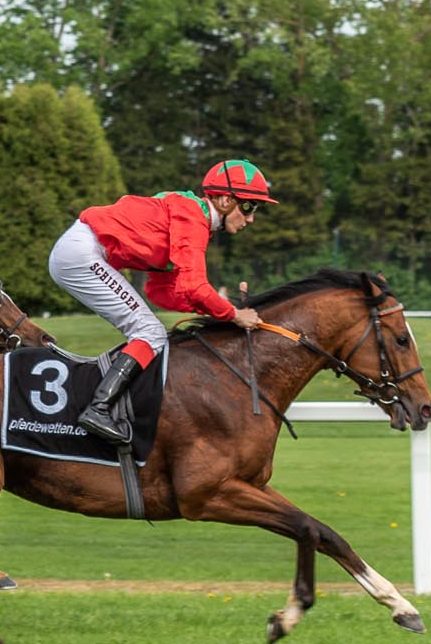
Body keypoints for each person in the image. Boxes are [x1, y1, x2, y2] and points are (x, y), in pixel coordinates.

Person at [50, 159, 275, 444]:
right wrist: (231, 314)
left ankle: (110, 405)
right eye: (249, 206)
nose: (252, 218)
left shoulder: (194, 220)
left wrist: (216, 308)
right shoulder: (193, 217)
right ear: (226, 199)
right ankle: (98, 409)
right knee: (150, 332)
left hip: (81, 253)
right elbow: (194, 286)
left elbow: (161, 291)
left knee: (149, 331)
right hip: (83, 254)